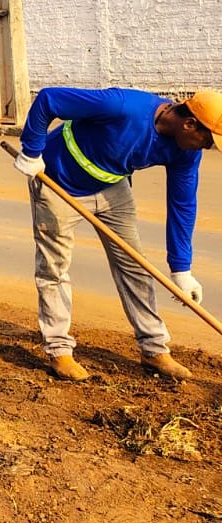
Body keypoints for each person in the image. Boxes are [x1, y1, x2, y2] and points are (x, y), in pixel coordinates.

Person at [13, 86, 221, 382]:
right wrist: (32, 150)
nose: (206, 148)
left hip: (112, 187)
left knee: (134, 265)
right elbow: (49, 99)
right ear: (189, 124)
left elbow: (182, 205)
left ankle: (154, 349)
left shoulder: (185, 153)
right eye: (207, 141)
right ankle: (59, 350)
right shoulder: (122, 106)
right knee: (54, 269)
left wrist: (182, 269)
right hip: (57, 181)